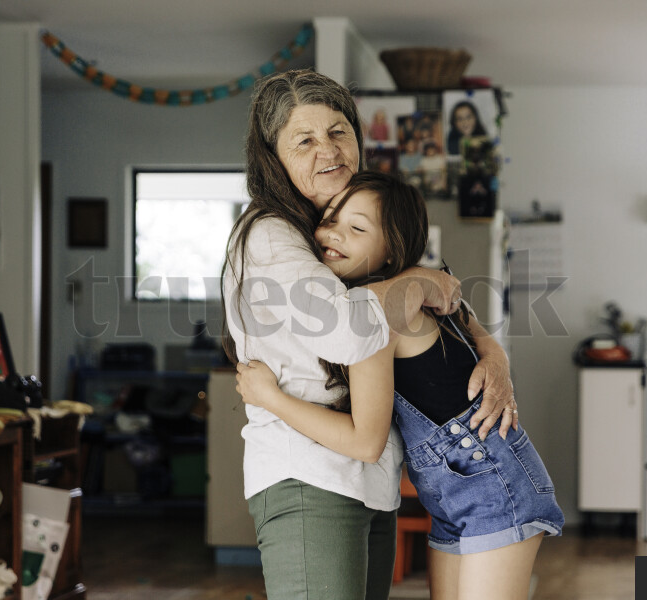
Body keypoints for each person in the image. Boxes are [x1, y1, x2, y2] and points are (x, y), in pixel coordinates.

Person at [222, 68, 516, 600]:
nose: (328, 149)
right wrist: (413, 280)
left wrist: (493, 353)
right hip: (309, 476)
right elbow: (344, 331)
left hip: (370, 479)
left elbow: (445, 300)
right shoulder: (271, 234)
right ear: (274, 157)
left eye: (338, 131)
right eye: (303, 140)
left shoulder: (345, 223)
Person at [236, 171, 564, 600]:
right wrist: (491, 349)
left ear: (391, 253)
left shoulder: (376, 317)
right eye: (331, 219)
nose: (333, 234)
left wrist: (271, 398)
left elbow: (363, 441)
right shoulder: (406, 290)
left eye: (356, 228)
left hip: (493, 486)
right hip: (454, 492)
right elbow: (461, 312)